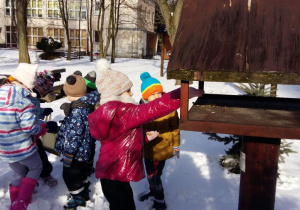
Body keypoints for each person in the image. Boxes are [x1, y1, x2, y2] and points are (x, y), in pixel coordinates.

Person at [88, 58, 204, 210]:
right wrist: (181, 94)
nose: (131, 93)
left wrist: (142, 137)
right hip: (116, 176)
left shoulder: (107, 112)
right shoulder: (123, 111)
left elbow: (118, 138)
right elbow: (154, 108)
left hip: (111, 176)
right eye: (128, 89)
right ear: (116, 93)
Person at [0, 63, 46, 210]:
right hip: (22, 148)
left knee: (19, 173)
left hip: (4, 149)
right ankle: (21, 202)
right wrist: (41, 127)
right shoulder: (23, 101)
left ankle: (15, 200)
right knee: (36, 167)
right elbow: (29, 127)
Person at [54, 74, 100, 210]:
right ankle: (84, 189)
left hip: (75, 151)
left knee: (70, 175)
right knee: (81, 171)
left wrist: (69, 153)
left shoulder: (78, 111)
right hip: (84, 149)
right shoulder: (87, 104)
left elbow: (74, 135)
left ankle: (78, 196)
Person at [138, 72, 180, 210]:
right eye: (153, 94)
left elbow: (175, 128)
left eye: (159, 93)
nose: (157, 96)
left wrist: (176, 146)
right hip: (146, 149)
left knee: (155, 177)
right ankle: (153, 191)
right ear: (145, 96)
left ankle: (160, 201)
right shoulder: (140, 109)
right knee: (150, 175)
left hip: (161, 149)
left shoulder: (168, 108)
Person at [31, 70, 58, 187]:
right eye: (46, 89)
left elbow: (35, 113)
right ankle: (39, 176)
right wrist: (45, 125)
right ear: (40, 85)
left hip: (33, 133)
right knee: (38, 155)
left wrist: (42, 112)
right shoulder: (28, 96)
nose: (47, 92)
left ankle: (38, 174)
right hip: (27, 133)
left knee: (37, 154)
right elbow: (28, 118)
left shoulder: (34, 96)